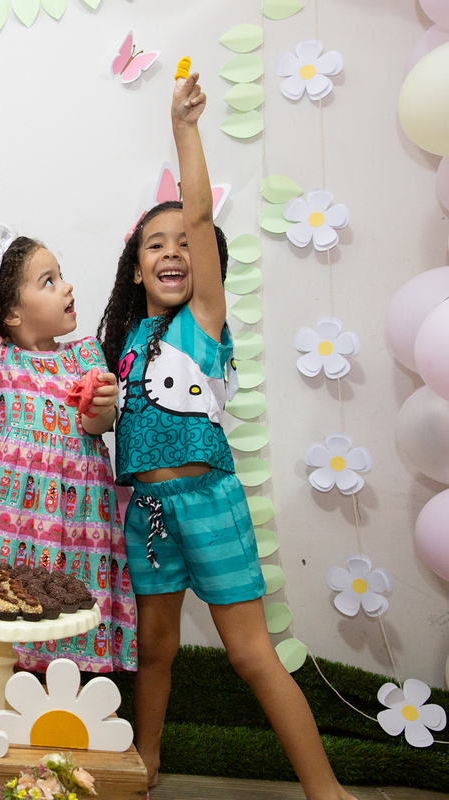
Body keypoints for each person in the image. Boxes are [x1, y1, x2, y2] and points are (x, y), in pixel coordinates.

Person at [96, 71, 355, 800]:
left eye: (185, 242)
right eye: (156, 243)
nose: (173, 251)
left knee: (249, 654)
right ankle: (146, 761)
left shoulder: (202, 323)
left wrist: (184, 129)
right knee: (154, 648)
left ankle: (325, 789)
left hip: (208, 503)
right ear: (136, 263)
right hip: (147, 515)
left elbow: (202, 215)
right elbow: (110, 415)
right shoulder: (124, 338)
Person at [0, 210, 135, 675]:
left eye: (62, 277)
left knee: (67, 627)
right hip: (9, 529)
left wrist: (102, 407)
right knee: (5, 639)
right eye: (48, 281)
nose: (66, 287)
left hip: (75, 527)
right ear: (10, 312)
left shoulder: (87, 355)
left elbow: (99, 425)